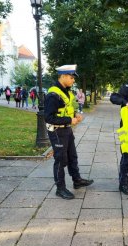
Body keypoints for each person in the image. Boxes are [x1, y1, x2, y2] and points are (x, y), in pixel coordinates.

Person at [44, 64, 93, 200]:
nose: (73, 80)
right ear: (63, 76)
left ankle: (77, 180)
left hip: (66, 130)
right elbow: (48, 117)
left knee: (72, 156)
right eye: (71, 77)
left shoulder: (66, 91)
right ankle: (60, 188)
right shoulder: (53, 95)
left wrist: (76, 114)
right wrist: (69, 120)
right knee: (60, 160)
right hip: (57, 132)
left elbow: (67, 108)